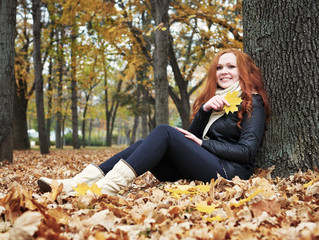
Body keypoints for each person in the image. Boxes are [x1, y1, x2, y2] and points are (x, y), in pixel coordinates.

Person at [38, 48, 270, 196]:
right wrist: (203, 112)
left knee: (164, 132)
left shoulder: (252, 101)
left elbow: (247, 152)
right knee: (142, 144)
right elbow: (191, 137)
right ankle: (76, 183)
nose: (223, 71)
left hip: (228, 172)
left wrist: (203, 145)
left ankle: (105, 189)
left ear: (243, 71)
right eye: (219, 67)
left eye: (231, 66)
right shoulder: (216, 99)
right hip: (203, 166)